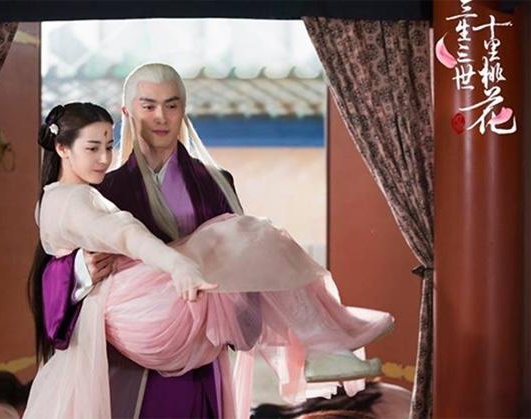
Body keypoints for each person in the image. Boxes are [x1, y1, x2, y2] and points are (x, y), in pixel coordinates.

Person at [24, 96, 393, 418]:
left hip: (143, 303)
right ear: (62, 149)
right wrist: (177, 266)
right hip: (135, 308)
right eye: (92, 148)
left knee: (242, 243)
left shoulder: (76, 195)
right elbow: (124, 234)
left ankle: (317, 343)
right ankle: (320, 342)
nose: (104, 158)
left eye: (109, 145)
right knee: (247, 238)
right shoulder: (73, 199)